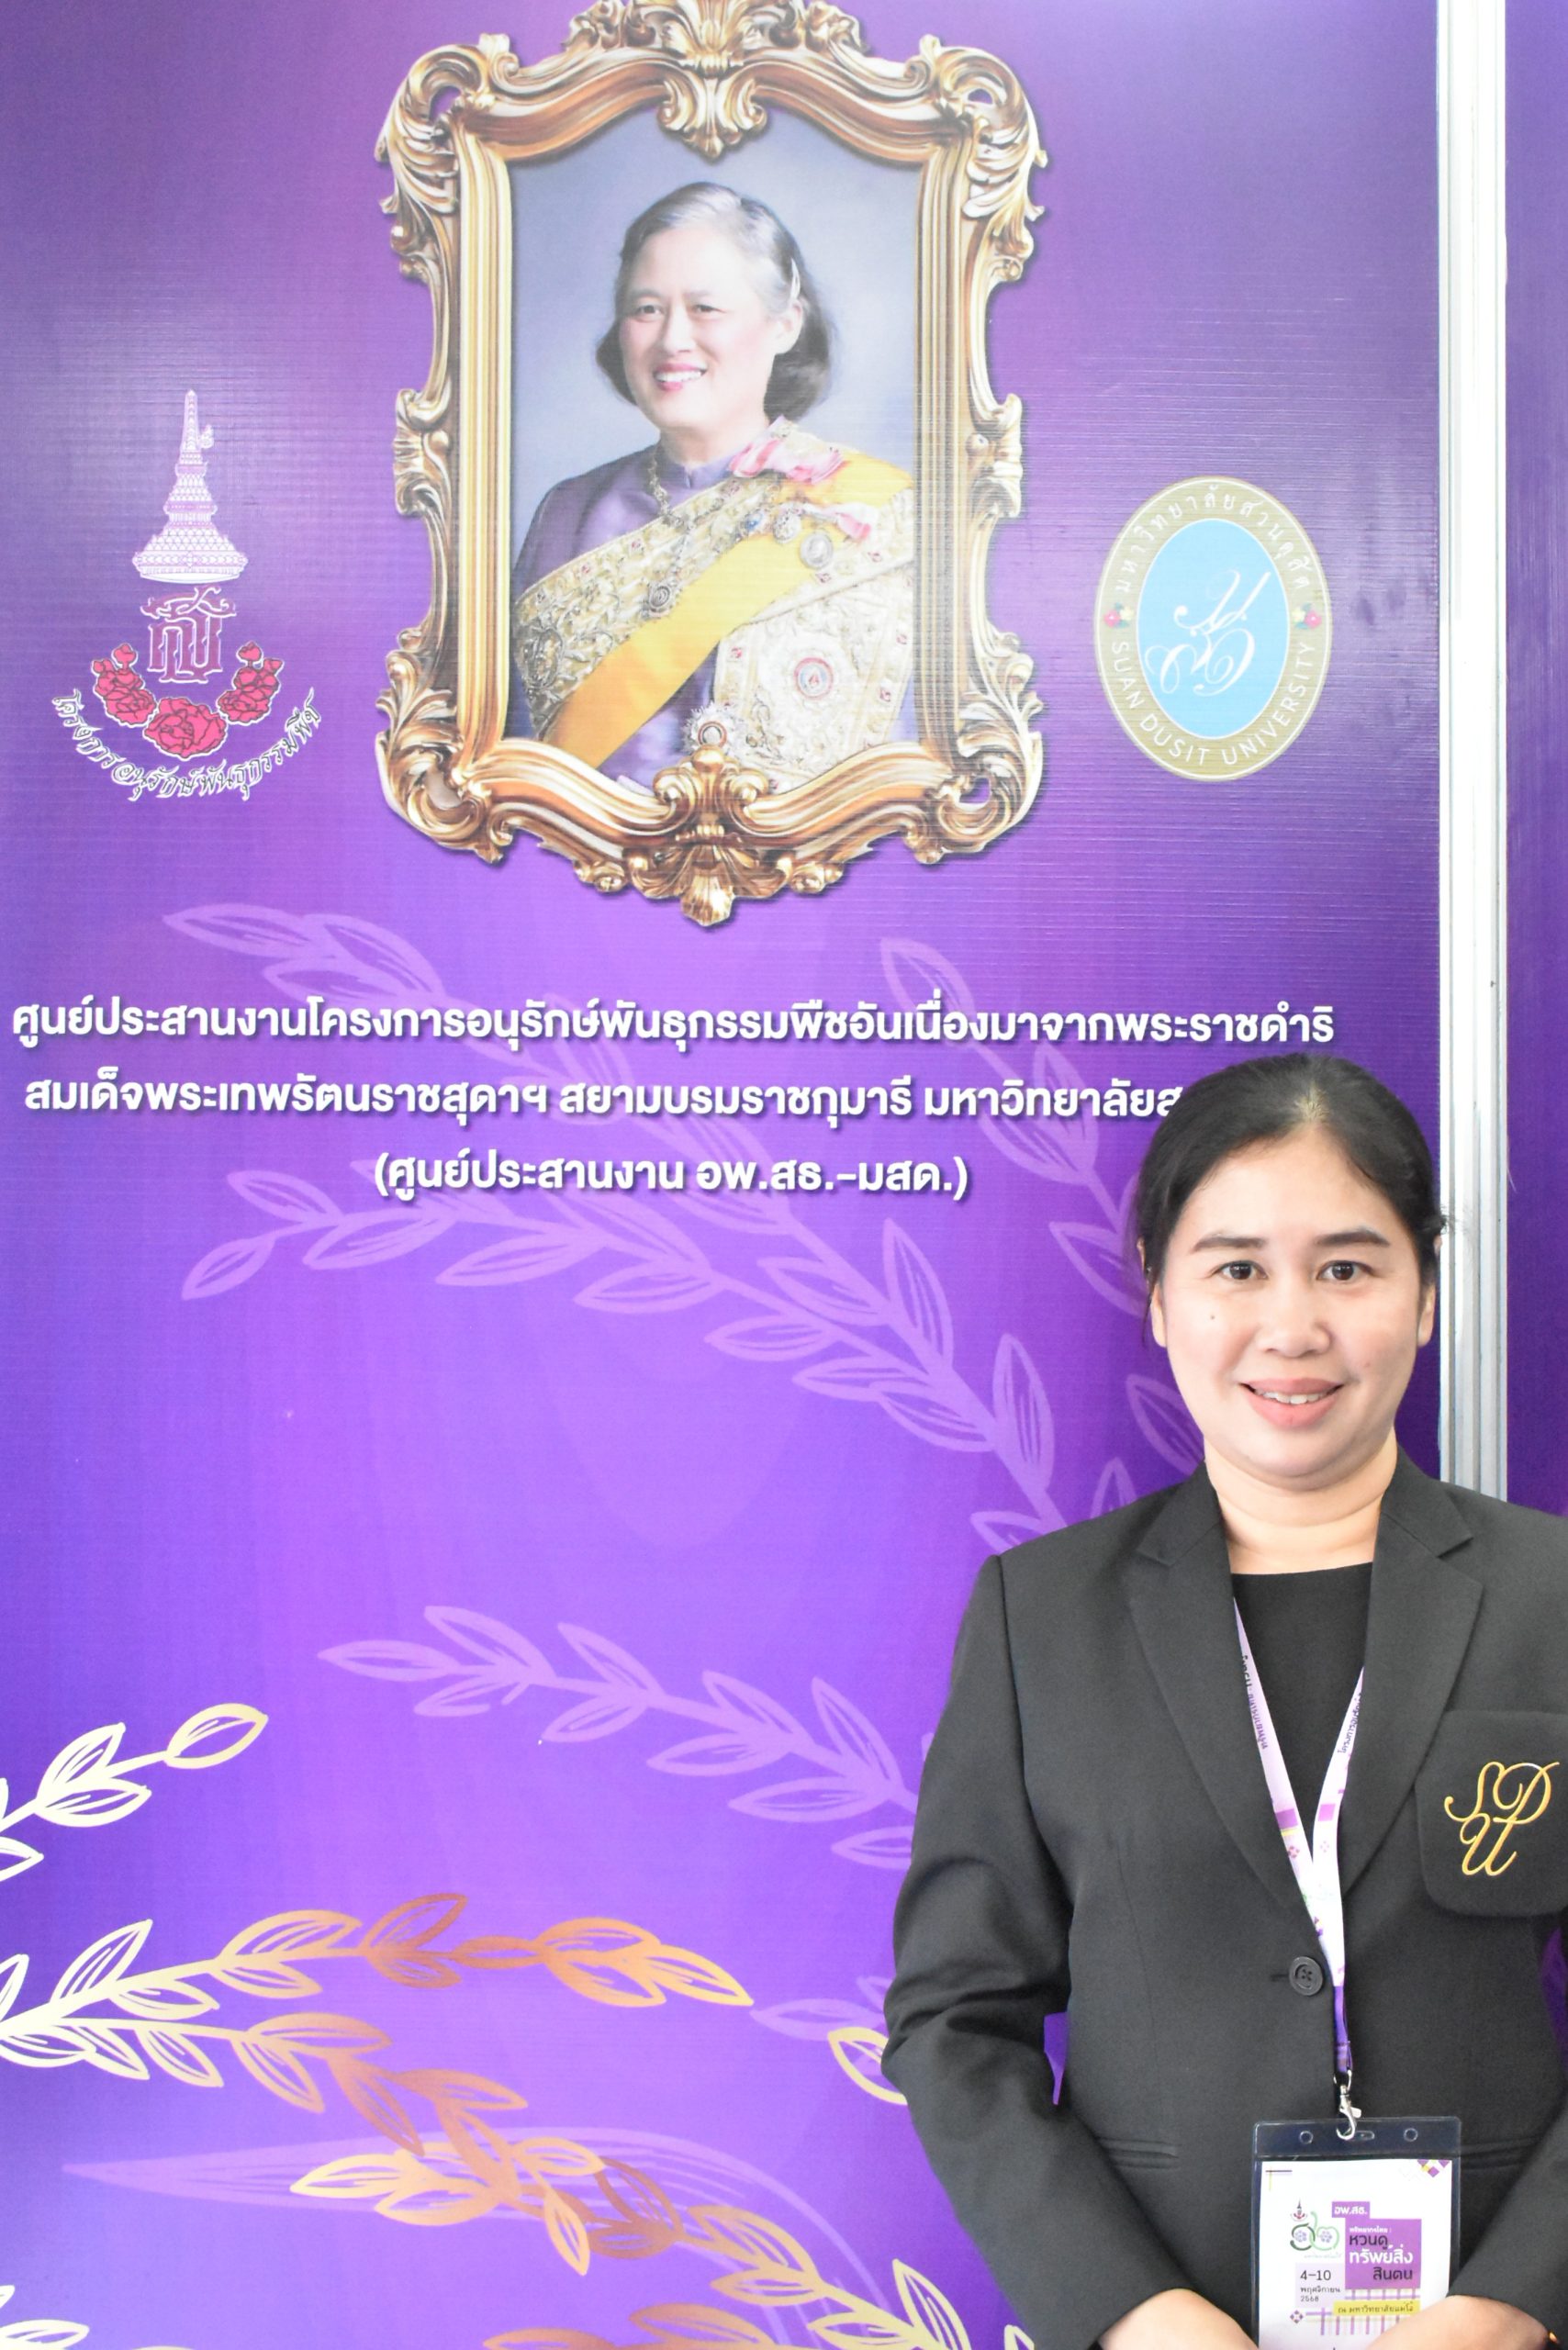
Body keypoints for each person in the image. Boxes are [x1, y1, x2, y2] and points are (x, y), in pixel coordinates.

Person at [883, 1055, 1567, 2350]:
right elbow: (954, 2020)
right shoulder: (1043, 1617)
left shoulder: (1551, 1597)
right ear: (1159, 1294)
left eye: (1347, 1267)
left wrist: (1514, 2302)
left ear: (1425, 1293)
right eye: (1237, 1267)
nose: (1292, 1327)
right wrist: (1131, 2313)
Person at [510, 182, 914, 790]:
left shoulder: (868, 510)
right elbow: (509, 767)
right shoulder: (567, 513)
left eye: (705, 308)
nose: (672, 339)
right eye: (647, 309)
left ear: (785, 325)